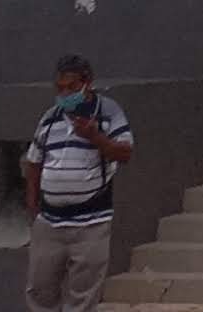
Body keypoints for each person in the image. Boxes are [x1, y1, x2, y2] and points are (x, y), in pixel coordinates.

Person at [19, 54, 133, 312]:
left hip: (90, 223)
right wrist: (32, 202)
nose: (65, 93)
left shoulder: (108, 112)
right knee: (40, 289)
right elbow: (34, 161)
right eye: (60, 88)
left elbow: (124, 153)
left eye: (71, 87)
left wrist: (95, 137)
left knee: (83, 295)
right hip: (50, 222)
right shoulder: (50, 118)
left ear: (87, 84)